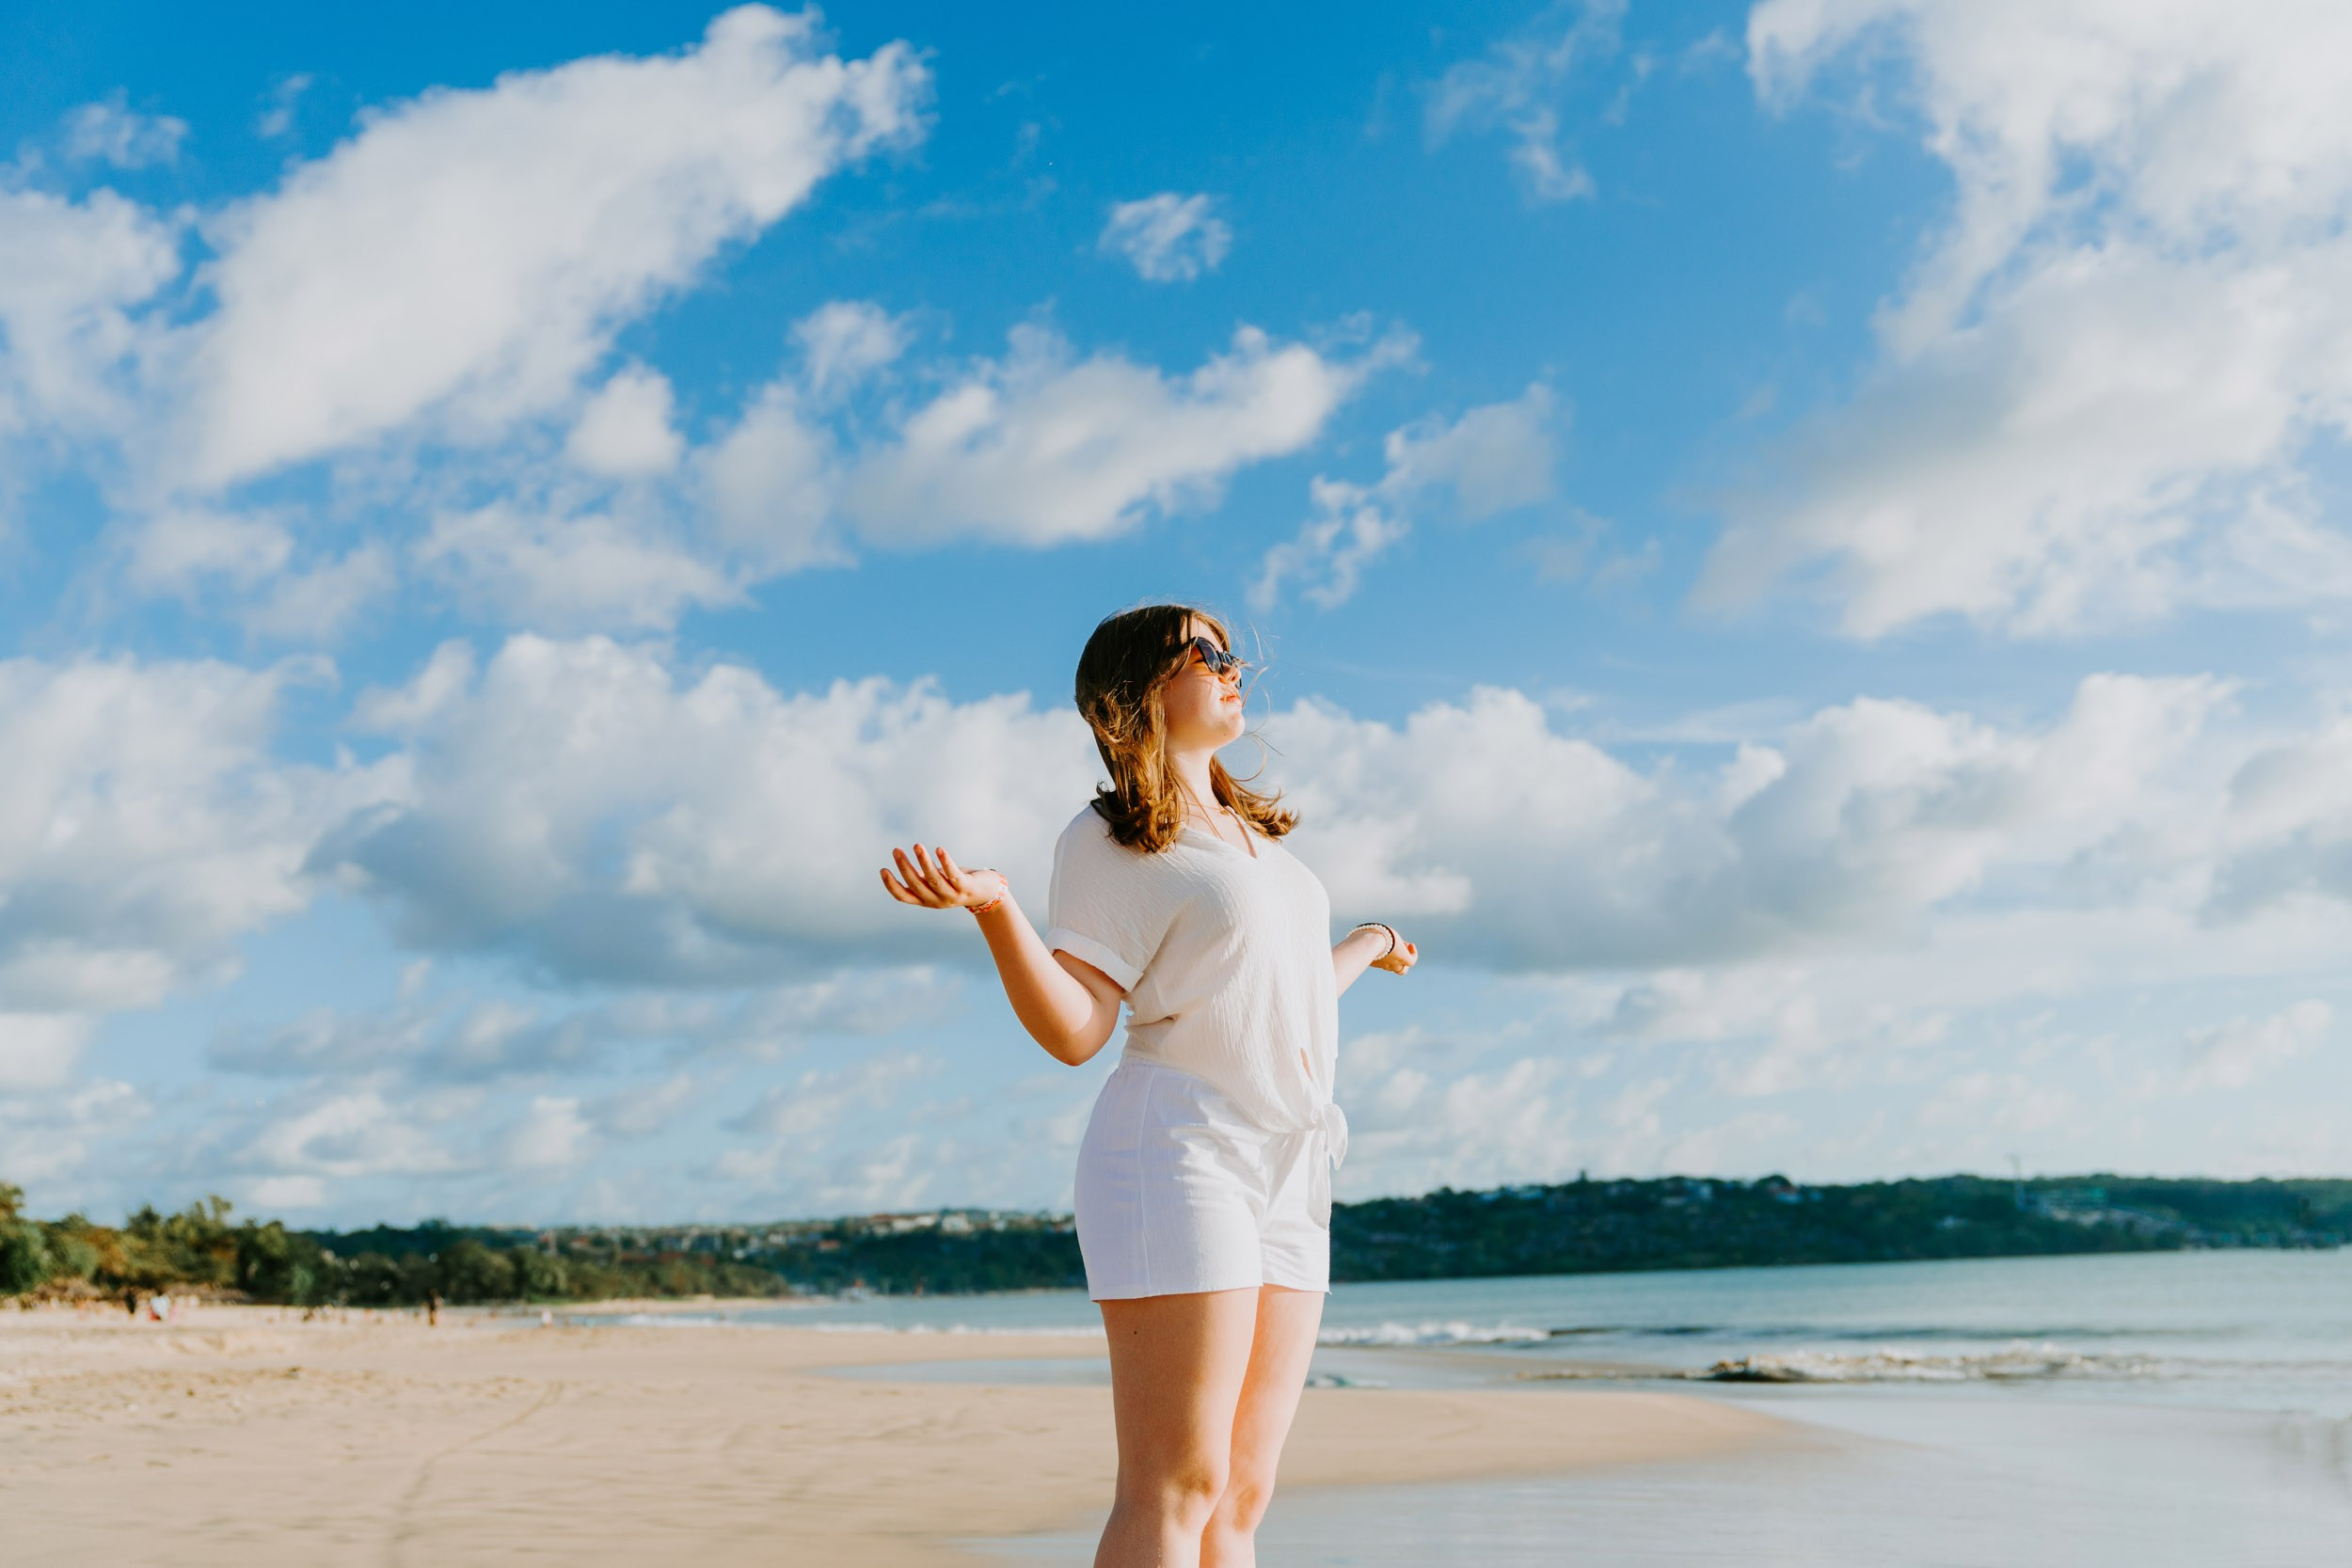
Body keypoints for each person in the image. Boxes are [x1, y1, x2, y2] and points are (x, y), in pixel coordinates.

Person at [880, 604, 1417, 1568]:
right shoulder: (1113, 837)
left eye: (1229, 649)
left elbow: (1269, 996)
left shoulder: (1265, 850)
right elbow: (1078, 1026)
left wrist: (1364, 943)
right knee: (1177, 1484)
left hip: (1292, 1161)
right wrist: (997, 908)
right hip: (1181, 1149)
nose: (1231, 664)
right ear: (1134, 693)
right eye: (1201, 653)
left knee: (1240, 1498)